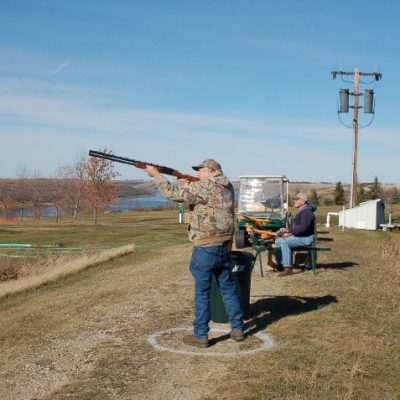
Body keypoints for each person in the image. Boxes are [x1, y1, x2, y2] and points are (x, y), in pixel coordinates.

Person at [145, 159, 245, 348]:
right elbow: (210, 204)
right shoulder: (228, 186)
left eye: (200, 171)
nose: (198, 174)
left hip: (205, 247)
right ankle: (238, 328)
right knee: (228, 288)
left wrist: (156, 174)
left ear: (209, 171)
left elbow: (170, 193)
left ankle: (200, 335)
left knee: (202, 292)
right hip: (224, 243)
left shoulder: (204, 186)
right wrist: (190, 185)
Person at [274, 192, 316, 277]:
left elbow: (304, 228)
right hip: (301, 236)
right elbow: (300, 228)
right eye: (294, 199)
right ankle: (282, 264)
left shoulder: (307, 211)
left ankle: (288, 268)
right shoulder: (303, 210)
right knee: (278, 241)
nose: (294, 201)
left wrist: (289, 230)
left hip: (307, 238)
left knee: (284, 242)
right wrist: (290, 233)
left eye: (296, 200)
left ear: (303, 201)